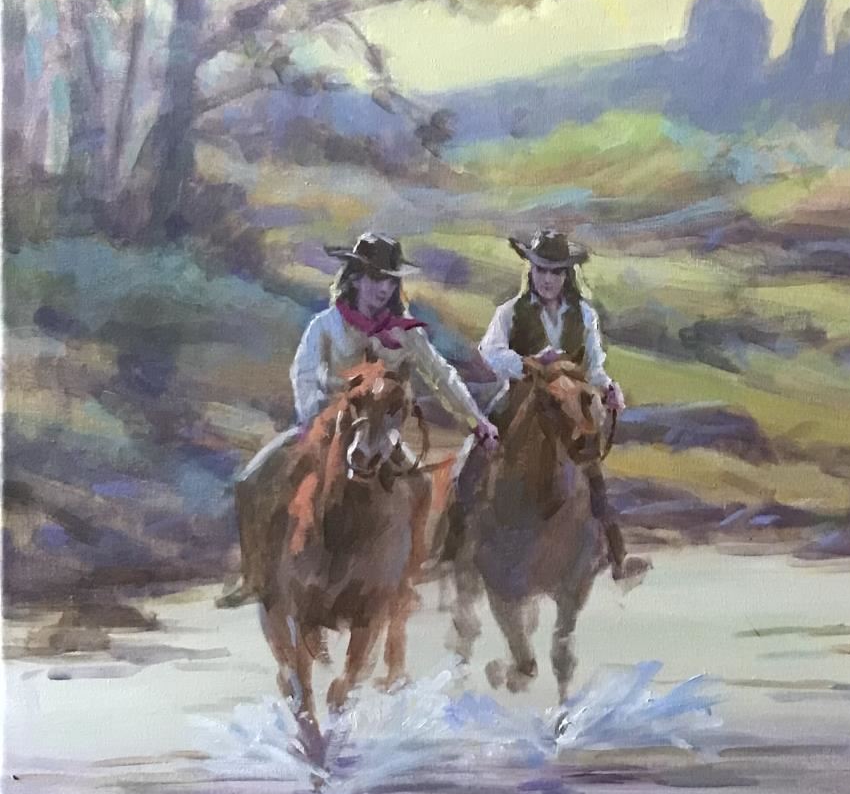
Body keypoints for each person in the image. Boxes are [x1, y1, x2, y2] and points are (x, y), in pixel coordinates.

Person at [217, 232, 498, 608]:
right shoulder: (325, 325)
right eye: (374, 277)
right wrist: (314, 415)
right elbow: (304, 374)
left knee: (419, 487)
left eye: (390, 280)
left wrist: (477, 420)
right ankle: (254, 574)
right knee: (252, 480)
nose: (383, 288)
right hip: (327, 424)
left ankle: (407, 572)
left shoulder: (406, 332)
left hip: (379, 432)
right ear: (354, 278)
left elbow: (441, 376)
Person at [438, 229, 651, 587]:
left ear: (567, 274)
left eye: (556, 272)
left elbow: (594, 365)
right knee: (471, 461)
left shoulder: (584, 315)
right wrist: (528, 363)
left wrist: (608, 388)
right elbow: (490, 352)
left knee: (592, 471)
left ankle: (618, 556)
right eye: (541, 270)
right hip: (521, 396)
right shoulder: (510, 312)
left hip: (568, 407)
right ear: (531, 270)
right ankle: (452, 546)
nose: (548, 279)